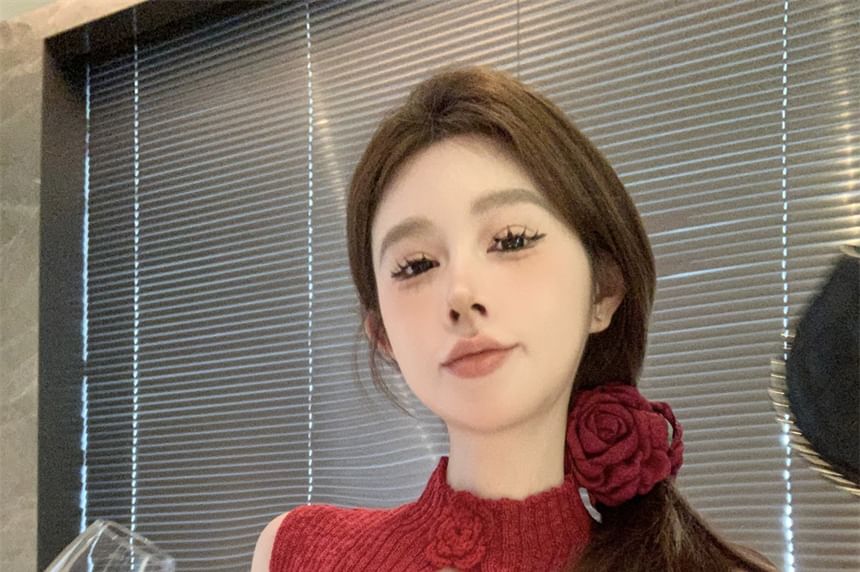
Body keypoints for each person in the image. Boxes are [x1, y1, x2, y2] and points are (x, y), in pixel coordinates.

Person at [252, 65, 777, 571]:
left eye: (511, 240)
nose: (461, 294)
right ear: (384, 336)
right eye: (416, 265)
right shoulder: (298, 554)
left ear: (603, 290)